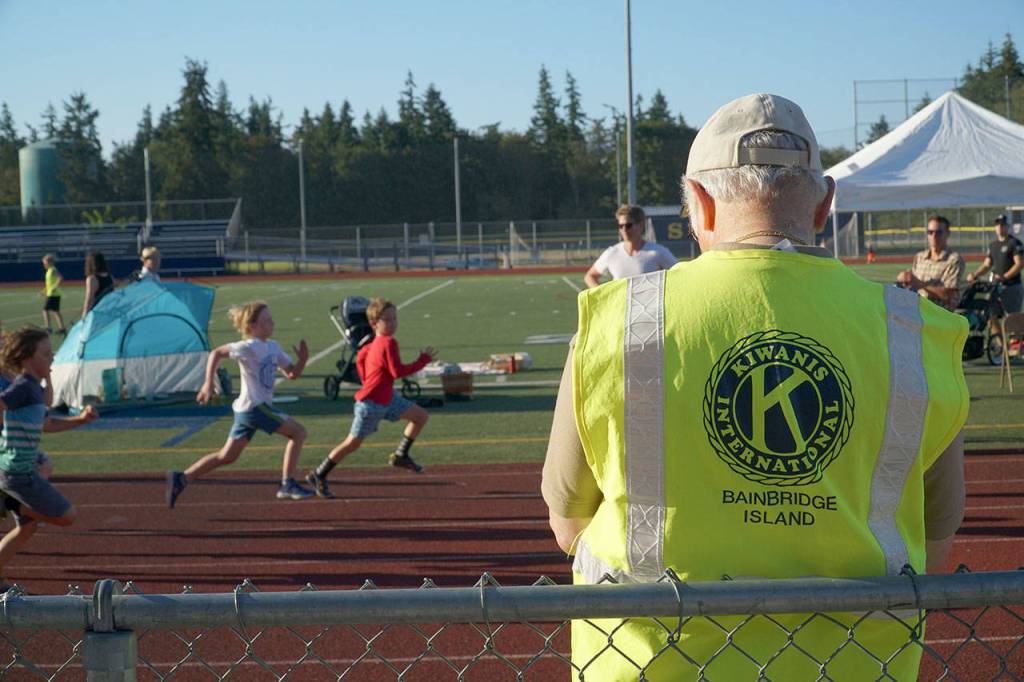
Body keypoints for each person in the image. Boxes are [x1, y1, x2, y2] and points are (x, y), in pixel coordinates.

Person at [543, 93, 968, 680]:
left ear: (698, 204)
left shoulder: (619, 322)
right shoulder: (915, 334)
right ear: (825, 207)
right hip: (856, 665)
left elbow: (569, 524)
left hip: (653, 664)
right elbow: (936, 545)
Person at [165, 301, 313, 507]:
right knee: (298, 433)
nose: (272, 324)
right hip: (255, 407)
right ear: (252, 327)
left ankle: (183, 478)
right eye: (266, 321)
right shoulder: (248, 347)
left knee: (227, 456)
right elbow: (216, 353)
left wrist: (303, 360)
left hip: (247, 411)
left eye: (271, 320)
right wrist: (208, 384)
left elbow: (292, 374)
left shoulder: (273, 347)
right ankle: (288, 484)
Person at [307, 298, 437, 498]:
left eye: (394, 318)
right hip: (372, 404)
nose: (392, 323)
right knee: (352, 443)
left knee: (420, 416)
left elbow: (361, 361)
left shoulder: (370, 344)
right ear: (374, 324)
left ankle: (401, 455)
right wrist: (422, 361)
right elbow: (396, 372)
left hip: (386, 398)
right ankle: (319, 473)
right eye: (387, 320)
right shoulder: (389, 342)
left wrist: (373, 381)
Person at [0, 327, 98, 589]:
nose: (52, 358)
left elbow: (47, 424)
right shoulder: (21, 386)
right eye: (46, 354)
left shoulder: (32, 386)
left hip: (17, 471)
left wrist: (81, 419)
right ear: (26, 357)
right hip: (18, 473)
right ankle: (12, 502)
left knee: (27, 529)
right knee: (68, 516)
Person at [584, 205, 677, 288]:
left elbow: (679, 274)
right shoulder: (612, 253)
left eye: (628, 225)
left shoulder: (657, 252)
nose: (624, 229)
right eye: (621, 226)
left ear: (640, 225)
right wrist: (601, 295)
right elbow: (590, 276)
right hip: (620, 307)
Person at [896, 216, 965, 310]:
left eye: (938, 232)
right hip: (917, 308)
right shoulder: (920, 257)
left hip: (939, 312)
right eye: (930, 232)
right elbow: (913, 286)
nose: (934, 236)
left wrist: (919, 283)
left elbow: (948, 295)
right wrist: (905, 280)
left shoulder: (953, 260)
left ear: (947, 234)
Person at [967, 214, 1023, 318]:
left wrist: (1005, 276)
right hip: (995, 287)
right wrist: (975, 274)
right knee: (991, 315)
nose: (1000, 227)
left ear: (1007, 226)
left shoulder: (1014, 243)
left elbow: (1019, 263)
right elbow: (987, 264)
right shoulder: (993, 245)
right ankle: (997, 335)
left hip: (1011, 286)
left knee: (1013, 319)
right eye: (997, 225)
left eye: (1002, 224)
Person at [81, 251, 116, 316]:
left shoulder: (92, 279)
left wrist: (84, 314)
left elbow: (89, 298)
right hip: (109, 310)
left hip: (97, 311)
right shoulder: (110, 277)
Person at [40, 255, 66, 336]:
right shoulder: (48, 271)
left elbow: (60, 278)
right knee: (55, 311)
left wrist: (55, 287)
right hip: (53, 294)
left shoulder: (53, 270)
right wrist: (44, 291)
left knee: (45, 310)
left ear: (50, 262)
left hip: (53, 294)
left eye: (45, 263)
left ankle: (48, 327)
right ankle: (61, 328)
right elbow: (49, 284)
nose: (44, 265)